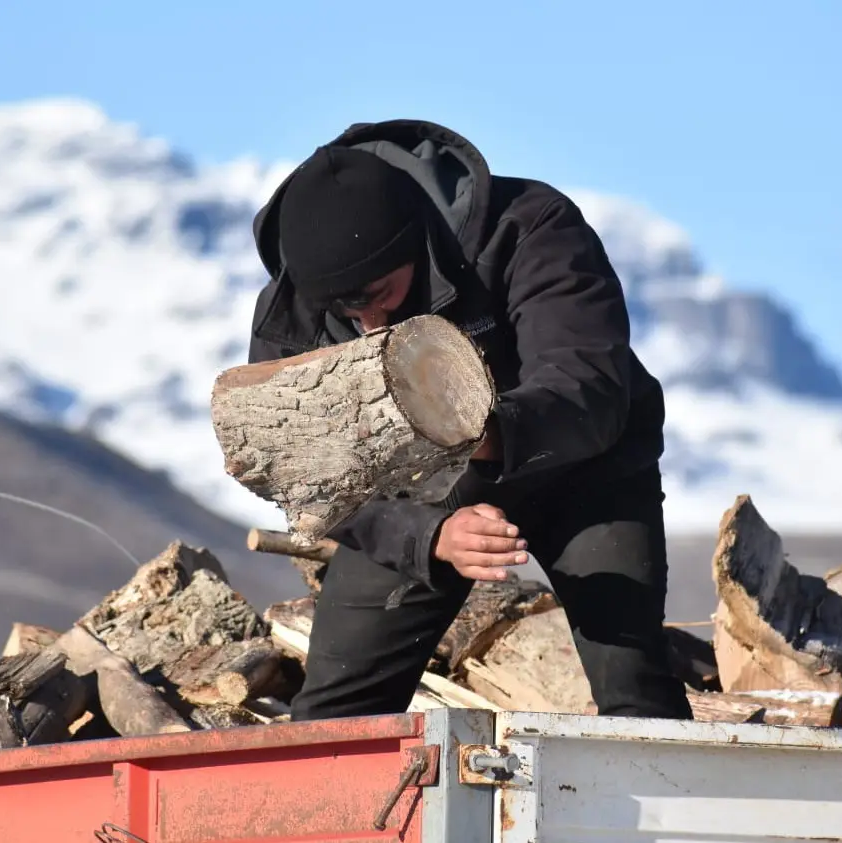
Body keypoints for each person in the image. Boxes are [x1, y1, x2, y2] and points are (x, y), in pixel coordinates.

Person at [245, 119, 693, 722]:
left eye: (380, 292)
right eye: (345, 308)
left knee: (634, 687)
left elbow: (590, 393)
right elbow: (310, 475)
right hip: (417, 500)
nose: (371, 321)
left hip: (585, 471)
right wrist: (428, 537)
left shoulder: (530, 228)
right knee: (334, 715)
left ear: (414, 240)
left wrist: (480, 436)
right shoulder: (290, 315)